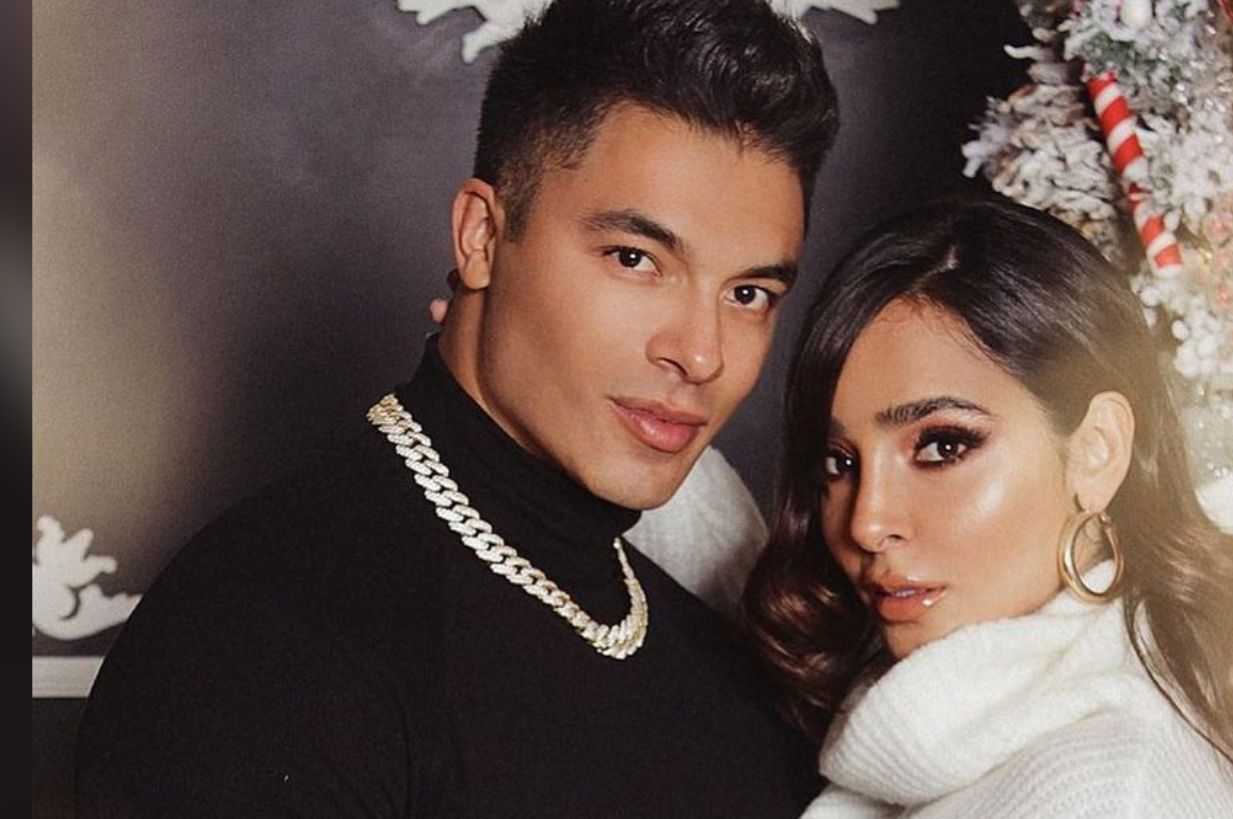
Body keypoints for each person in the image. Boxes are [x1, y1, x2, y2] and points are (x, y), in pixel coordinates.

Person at [76, 0, 836, 815]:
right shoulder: (266, 635)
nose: (702, 353)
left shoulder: (722, 670)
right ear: (481, 236)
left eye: (749, 294)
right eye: (635, 258)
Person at [743, 196, 1233, 819]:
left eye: (941, 447)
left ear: (1096, 452)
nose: (867, 522)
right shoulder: (945, 734)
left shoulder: (1110, 797)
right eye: (837, 463)